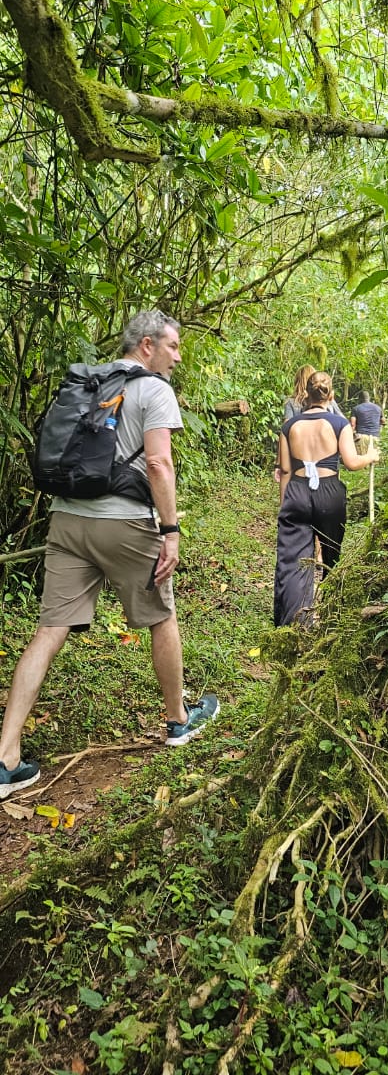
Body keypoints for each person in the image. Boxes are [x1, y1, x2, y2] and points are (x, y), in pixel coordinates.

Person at [0, 310, 219, 801]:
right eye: (173, 346)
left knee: (49, 631)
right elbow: (158, 463)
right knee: (161, 616)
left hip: (67, 519)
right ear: (147, 345)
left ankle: (5, 757)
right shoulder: (153, 389)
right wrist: (171, 530)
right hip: (125, 524)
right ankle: (178, 720)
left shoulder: (90, 381)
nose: (177, 357)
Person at [274, 371, 379, 628]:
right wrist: (371, 456)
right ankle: (330, 614)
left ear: (306, 395)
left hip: (297, 491)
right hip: (330, 493)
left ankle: (293, 622)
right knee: (331, 556)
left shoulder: (289, 427)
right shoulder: (339, 424)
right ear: (330, 395)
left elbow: (285, 471)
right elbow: (351, 462)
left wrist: (285, 504)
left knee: (293, 562)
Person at [351, 390, 385, 454]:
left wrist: (352, 435)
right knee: (374, 458)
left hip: (361, 437)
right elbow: (383, 421)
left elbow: (353, 424)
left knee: (362, 458)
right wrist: (378, 430)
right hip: (375, 437)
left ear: (359, 399)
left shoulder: (356, 409)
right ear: (369, 398)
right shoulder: (378, 408)